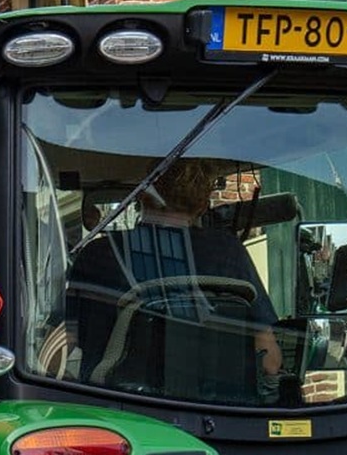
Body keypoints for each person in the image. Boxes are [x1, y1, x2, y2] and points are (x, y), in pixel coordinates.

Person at [60, 158, 284, 402]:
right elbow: (270, 361)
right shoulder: (229, 253)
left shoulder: (99, 254)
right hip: (221, 415)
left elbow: (62, 346)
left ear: (143, 195)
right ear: (202, 204)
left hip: (119, 412)